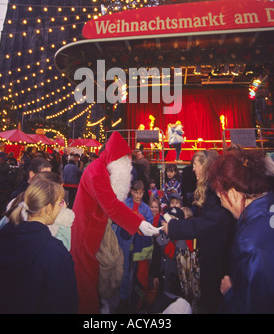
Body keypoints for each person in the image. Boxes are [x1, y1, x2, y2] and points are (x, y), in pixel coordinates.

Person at [70, 131, 160, 314]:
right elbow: (111, 204)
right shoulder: (97, 171)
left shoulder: (103, 168)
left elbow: (113, 203)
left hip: (93, 231)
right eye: (126, 162)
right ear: (117, 159)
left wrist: (139, 221)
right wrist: (139, 224)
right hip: (86, 233)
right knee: (85, 282)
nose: (128, 168)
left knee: (91, 278)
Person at [0, 176, 78, 314]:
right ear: (49, 209)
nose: (63, 207)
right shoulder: (55, 252)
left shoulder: (2, 235)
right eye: (60, 203)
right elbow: (66, 303)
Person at [162, 150, 235, 314]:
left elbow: (209, 223)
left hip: (218, 256)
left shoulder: (217, 189)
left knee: (212, 300)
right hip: (214, 252)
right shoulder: (212, 187)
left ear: (206, 165)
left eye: (195, 165)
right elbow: (208, 213)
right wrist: (190, 211)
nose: (193, 169)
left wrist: (173, 227)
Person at [208, 149, 274, 314]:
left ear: (233, 194)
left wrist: (230, 292)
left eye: (220, 197)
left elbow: (255, 307)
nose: (222, 203)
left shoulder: (249, 241)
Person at [116, 179, 155, 313]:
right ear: (131, 191)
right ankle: (124, 298)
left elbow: (150, 225)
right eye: (135, 192)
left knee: (139, 271)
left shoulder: (146, 208)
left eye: (141, 193)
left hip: (139, 244)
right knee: (125, 270)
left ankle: (137, 297)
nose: (138, 195)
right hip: (125, 241)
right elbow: (119, 220)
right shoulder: (125, 204)